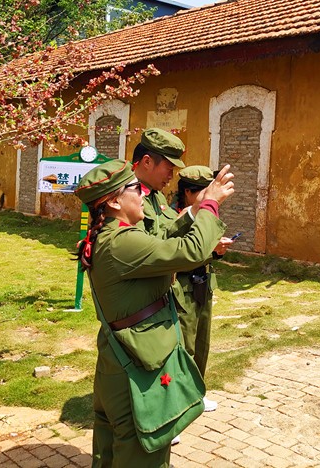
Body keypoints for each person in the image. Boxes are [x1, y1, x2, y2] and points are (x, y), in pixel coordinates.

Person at [75, 158, 234, 468]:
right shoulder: (122, 241)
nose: (144, 195)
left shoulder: (112, 234)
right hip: (137, 371)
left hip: (117, 364)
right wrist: (210, 205)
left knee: (108, 456)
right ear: (115, 201)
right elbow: (190, 251)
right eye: (136, 188)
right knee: (143, 455)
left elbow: (160, 241)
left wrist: (195, 209)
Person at [172, 166, 234, 413]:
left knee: (201, 343)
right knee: (184, 346)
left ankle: (197, 393)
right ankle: (177, 404)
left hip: (203, 283)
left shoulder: (206, 214)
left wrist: (216, 251)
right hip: (182, 286)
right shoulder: (175, 217)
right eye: (206, 191)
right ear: (188, 192)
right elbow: (178, 253)